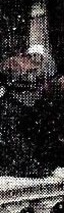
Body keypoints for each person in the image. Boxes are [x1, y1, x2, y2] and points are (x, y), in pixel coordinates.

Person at [0, 47, 51, 177]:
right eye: (29, 72)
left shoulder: (36, 105)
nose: (33, 77)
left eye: (34, 72)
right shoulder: (9, 109)